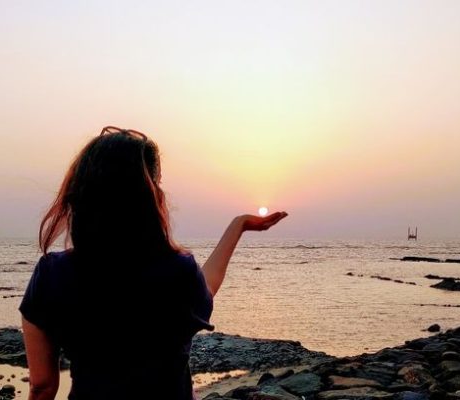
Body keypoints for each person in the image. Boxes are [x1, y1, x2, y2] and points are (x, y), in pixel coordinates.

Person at [19, 126, 288, 400]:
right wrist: (237, 226)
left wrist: (237, 225)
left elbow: (42, 386)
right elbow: (207, 286)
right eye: (157, 183)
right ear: (148, 196)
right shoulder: (178, 272)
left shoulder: (51, 275)